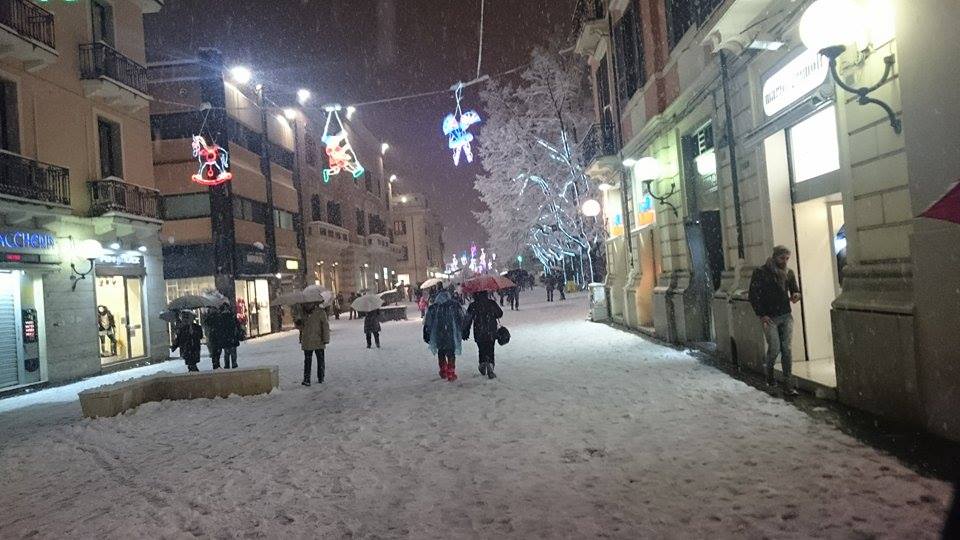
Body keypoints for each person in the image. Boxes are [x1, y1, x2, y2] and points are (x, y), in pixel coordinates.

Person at [748, 245, 802, 395]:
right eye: (781, 258)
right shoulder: (761, 272)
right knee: (775, 348)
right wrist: (762, 314)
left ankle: (788, 384)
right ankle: (770, 376)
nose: (784, 261)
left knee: (787, 349)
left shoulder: (788, 273)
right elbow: (753, 295)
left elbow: (795, 290)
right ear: (774, 257)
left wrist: (796, 295)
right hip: (769, 317)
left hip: (786, 315)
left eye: (787, 258)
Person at [423, 289, 464, 381]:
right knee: (451, 353)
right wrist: (461, 329)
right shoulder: (454, 306)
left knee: (441, 352)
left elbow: (428, 322)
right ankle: (451, 372)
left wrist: (427, 333)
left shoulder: (434, 307)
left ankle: (443, 370)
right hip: (451, 333)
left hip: (438, 334)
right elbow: (461, 318)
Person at [463, 291, 503, 379]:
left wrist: (465, 330)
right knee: (490, 349)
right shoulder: (491, 303)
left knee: (481, 349)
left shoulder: (473, 305)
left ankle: (482, 364)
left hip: (479, 332)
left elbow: (468, 319)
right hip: (491, 331)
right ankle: (490, 365)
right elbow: (500, 314)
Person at [295, 301, 330, 386]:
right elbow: (300, 327)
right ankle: (307, 379)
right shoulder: (302, 313)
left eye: (310, 304)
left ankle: (321, 377)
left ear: (314, 303)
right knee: (307, 360)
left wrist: (326, 339)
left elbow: (325, 326)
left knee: (320, 360)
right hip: (307, 340)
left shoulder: (320, 312)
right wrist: (298, 323)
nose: (308, 305)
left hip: (319, 339)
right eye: (306, 304)